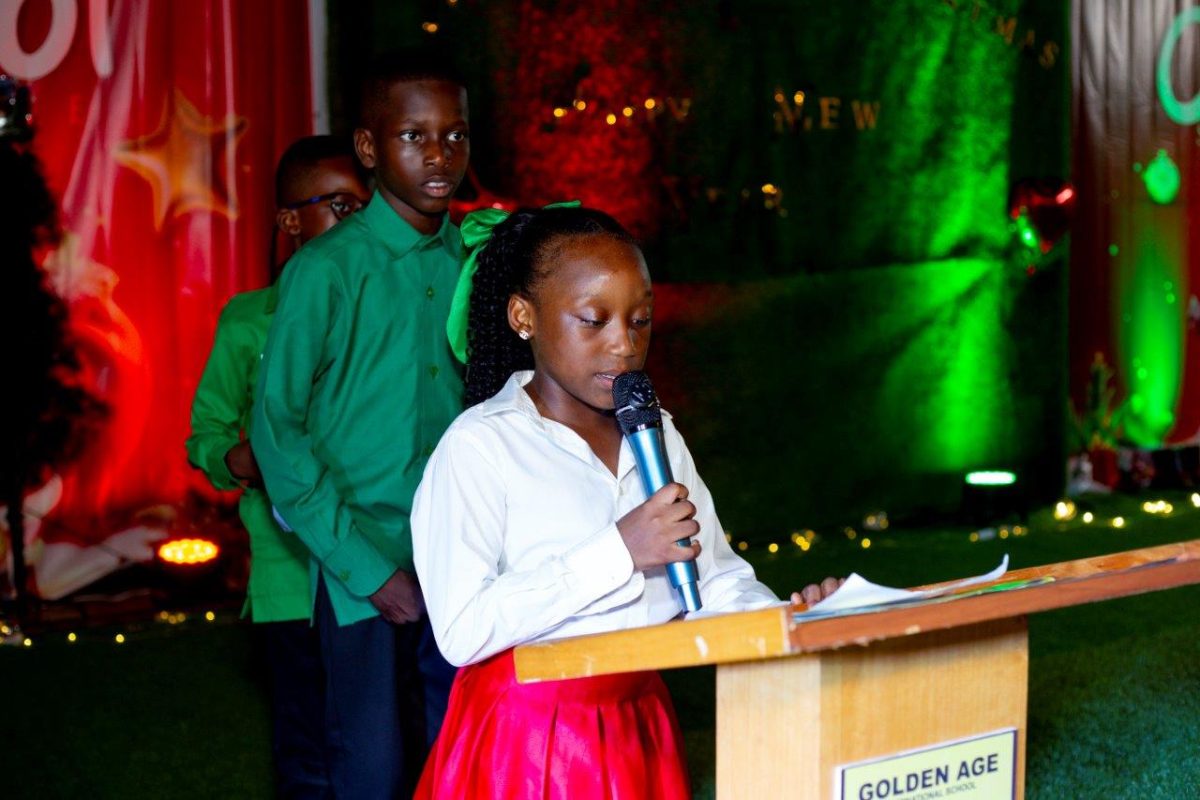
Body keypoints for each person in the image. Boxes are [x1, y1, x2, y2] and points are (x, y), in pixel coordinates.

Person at [411, 205, 842, 798]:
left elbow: (714, 581)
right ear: (523, 316)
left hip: (639, 719)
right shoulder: (480, 447)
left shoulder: (656, 434)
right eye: (594, 320)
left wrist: (790, 620)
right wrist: (619, 549)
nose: (623, 344)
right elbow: (462, 629)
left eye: (640, 320)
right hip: (531, 738)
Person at [250, 50, 470, 798]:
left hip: (463, 556)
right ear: (370, 149)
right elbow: (276, 431)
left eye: (454, 135)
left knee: (457, 755)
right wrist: (370, 572)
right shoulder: (325, 270)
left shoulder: (478, 260)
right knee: (371, 765)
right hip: (359, 562)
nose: (438, 154)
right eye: (414, 136)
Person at [186, 134, 368, 797]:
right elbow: (205, 434)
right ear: (291, 220)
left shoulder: (385, 313)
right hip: (290, 576)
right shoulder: (248, 321)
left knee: (379, 734)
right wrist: (242, 457)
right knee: (308, 743)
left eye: (368, 205)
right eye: (341, 206)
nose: (360, 221)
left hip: (375, 563)